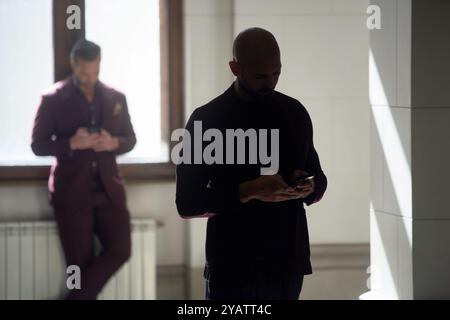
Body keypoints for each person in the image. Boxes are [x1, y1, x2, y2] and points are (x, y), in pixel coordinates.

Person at [176, 28, 327, 300]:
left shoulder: (294, 113)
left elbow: (319, 179)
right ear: (235, 68)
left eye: (276, 74)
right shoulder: (207, 120)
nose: (270, 83)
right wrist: (249, 190)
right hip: (232, 267)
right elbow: (188, 203)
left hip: (287, 266)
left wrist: (308, 186)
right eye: (260, 76)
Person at [31, 39, 136, 300]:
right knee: (77, 268)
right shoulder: (52, 99)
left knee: (121, 249)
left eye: (94, 72)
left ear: (100, 64)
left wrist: (113, 142)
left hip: (109, 191)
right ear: (74, 66)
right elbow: (37, 145)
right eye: (84, 72)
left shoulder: (117, 97)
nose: (90, 78)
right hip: (71, 194)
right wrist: (71, 143)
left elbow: (130, 139)